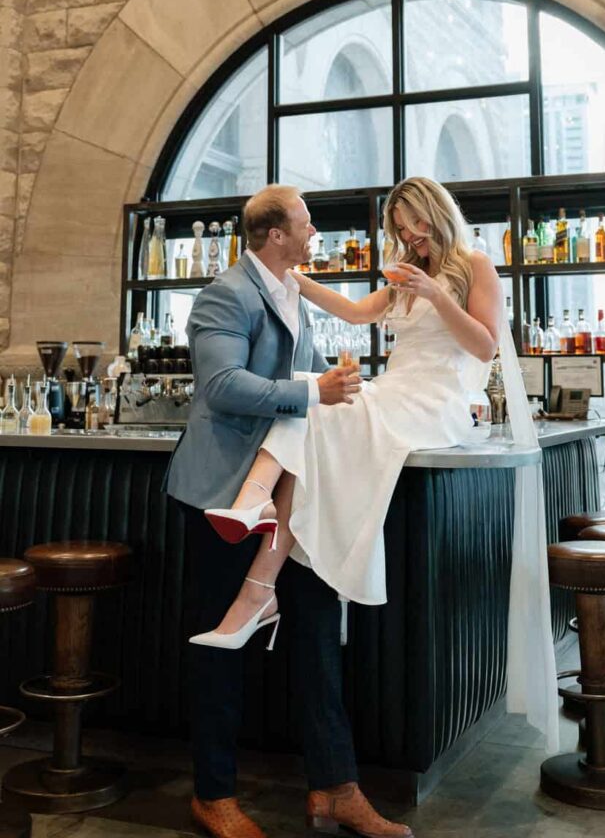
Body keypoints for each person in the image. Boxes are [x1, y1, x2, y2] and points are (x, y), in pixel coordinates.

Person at [164, 184, 414, 838]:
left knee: (316, 636)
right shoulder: (226, 294)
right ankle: (212, 795)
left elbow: (316, 377)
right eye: (305, 225)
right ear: (275, 234)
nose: (314, 235)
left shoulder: (293, 289)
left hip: (293, 498)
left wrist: (361, 396)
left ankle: (335, 788)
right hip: (224, 495)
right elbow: (221, 387)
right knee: (222, 646)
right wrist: (315, 390)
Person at [192, 176, 501, 638]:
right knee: (315, 394)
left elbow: (486, 346)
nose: (411, 234)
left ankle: (256, 521)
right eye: (401, 227)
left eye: (415, 221)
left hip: (439, 399)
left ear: (435, 211)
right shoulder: (405, 269)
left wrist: (435, 294)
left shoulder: (474, 265)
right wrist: (290, 278)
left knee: (317, 399)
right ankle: (258, 551)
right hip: (397, 388)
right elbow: (357, 312)